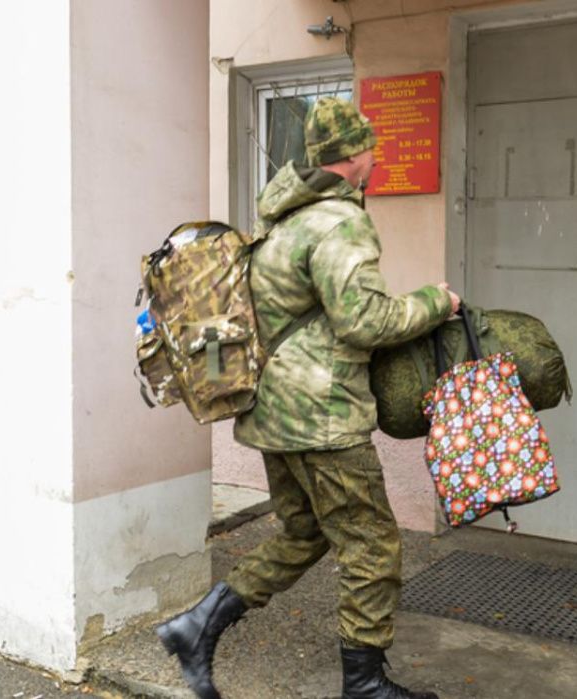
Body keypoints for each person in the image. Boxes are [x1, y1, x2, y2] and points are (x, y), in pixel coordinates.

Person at [156, 97, 457, 699]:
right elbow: (363, 321)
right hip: (322, 417)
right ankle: (365, 686)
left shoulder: (286, 220)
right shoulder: (341, 223)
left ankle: (197, 626)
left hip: (272, 412)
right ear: (352, 156)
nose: (375, 158)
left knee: (304, 532)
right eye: (370, 149)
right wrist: (435, 303)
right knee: (372, 545)